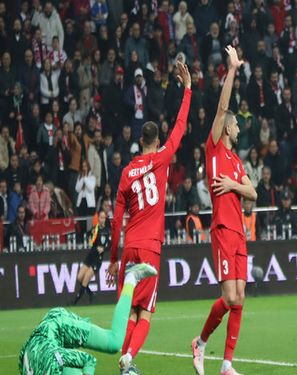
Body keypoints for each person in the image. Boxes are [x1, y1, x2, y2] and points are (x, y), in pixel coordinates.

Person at [106, 61, 192, 373]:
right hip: (151, 249)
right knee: (146, 314)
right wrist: (188, 90)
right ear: (156, 141)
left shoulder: (127, 173)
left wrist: (114, 259)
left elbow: (116, 219)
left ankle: (125, 359)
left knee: (130, 312)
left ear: (141, 140)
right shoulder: (162, 158)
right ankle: (127, 361)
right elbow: (181, 127)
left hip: (129, 247)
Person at [192, 46, 257, 375]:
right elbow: (221, 107)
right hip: (221, 229)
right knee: (230, 298)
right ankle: (201, 342)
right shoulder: (215, 147)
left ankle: (227, 363)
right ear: (228, 128)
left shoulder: (235, 161)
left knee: (240, 297)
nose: (238, 129)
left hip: (239, 232)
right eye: (236, 126)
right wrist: (231, 69)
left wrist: (234, 186)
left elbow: (253, 192)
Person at [19, 264, 157, 375]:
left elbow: (89, 360)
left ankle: (131, 278)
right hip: (41, 347)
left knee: (113, 342)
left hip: (59, 325)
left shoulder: (53, 361)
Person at [74, 210, 110, 305]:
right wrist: (90, 236)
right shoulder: (95, 229)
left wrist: (104, 248)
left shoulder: (107, 231)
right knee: (79, 278)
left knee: (85, 280)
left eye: (104, 218)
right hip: (90, 256)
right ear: (98, 219)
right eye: (101, 217)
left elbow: (110, 245)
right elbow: (88, 238)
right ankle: (91, 294)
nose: (102, 219)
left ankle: (75, 301)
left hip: (97, 260)